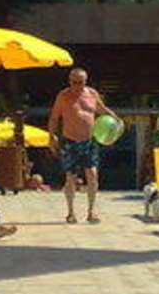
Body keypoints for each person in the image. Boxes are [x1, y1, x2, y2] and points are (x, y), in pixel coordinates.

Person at [48, 67, 116, 226]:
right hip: (70, 140)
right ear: (69, 81)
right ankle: (71, 212)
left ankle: (91, 211)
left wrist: (114, 118)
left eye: (80, 82)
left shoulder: (92, 94)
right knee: (71, 177)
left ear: (85, 82)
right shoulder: (63, 96)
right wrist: (51, 136)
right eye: (74, 82)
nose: (77, 86)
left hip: (89, 140)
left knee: (92, 175)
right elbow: (54, 117)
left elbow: (101, 109)